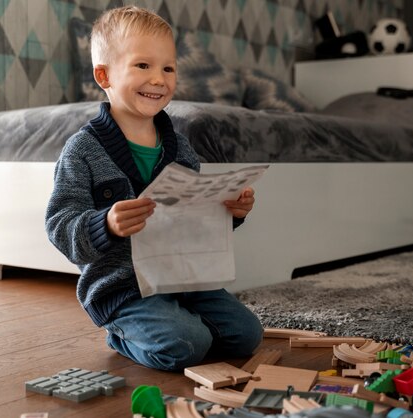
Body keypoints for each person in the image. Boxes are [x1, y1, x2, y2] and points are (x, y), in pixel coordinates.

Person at [45, 6, 263, 371]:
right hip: (122, 288)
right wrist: (106, 225)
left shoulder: (180, 147)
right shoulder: (82, 150)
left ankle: (178, 321)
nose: (159, 80)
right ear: (104, 76)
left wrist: (228, 212)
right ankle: (122, 332)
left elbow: (193, 221)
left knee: (247, 335)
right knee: (186, 345)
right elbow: (59, 224)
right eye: (143, 66)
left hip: (182, 278)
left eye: (168, 68)